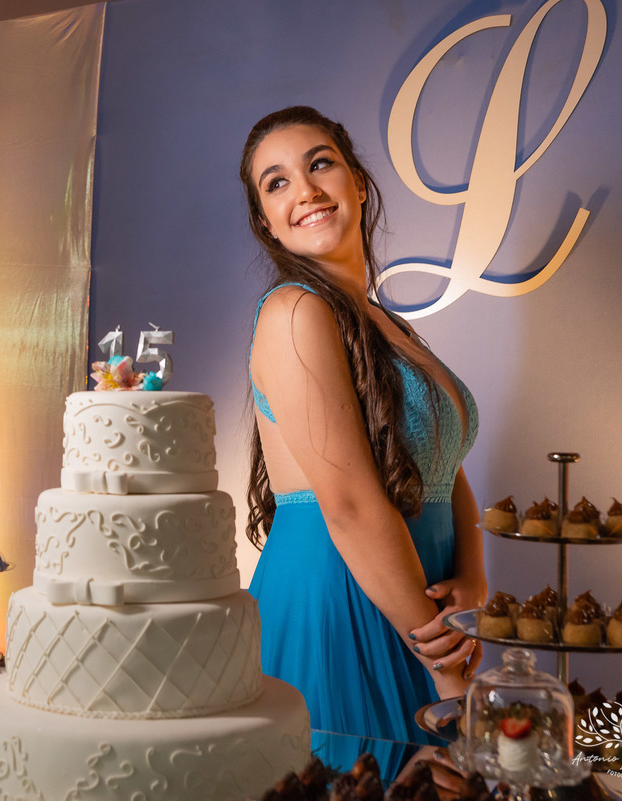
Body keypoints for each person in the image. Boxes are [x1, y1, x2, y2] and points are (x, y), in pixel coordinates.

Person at [241, 106, 486, 746]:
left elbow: (445, 468)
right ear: (264, 221)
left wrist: (473, 576)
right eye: (277, 182)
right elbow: (348, 505)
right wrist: (446, 663)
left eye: (320, 164)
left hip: (424, 604)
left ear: (356, 181)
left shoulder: (389, 325)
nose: (306, 191)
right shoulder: (295, 311)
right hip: (341, 600)